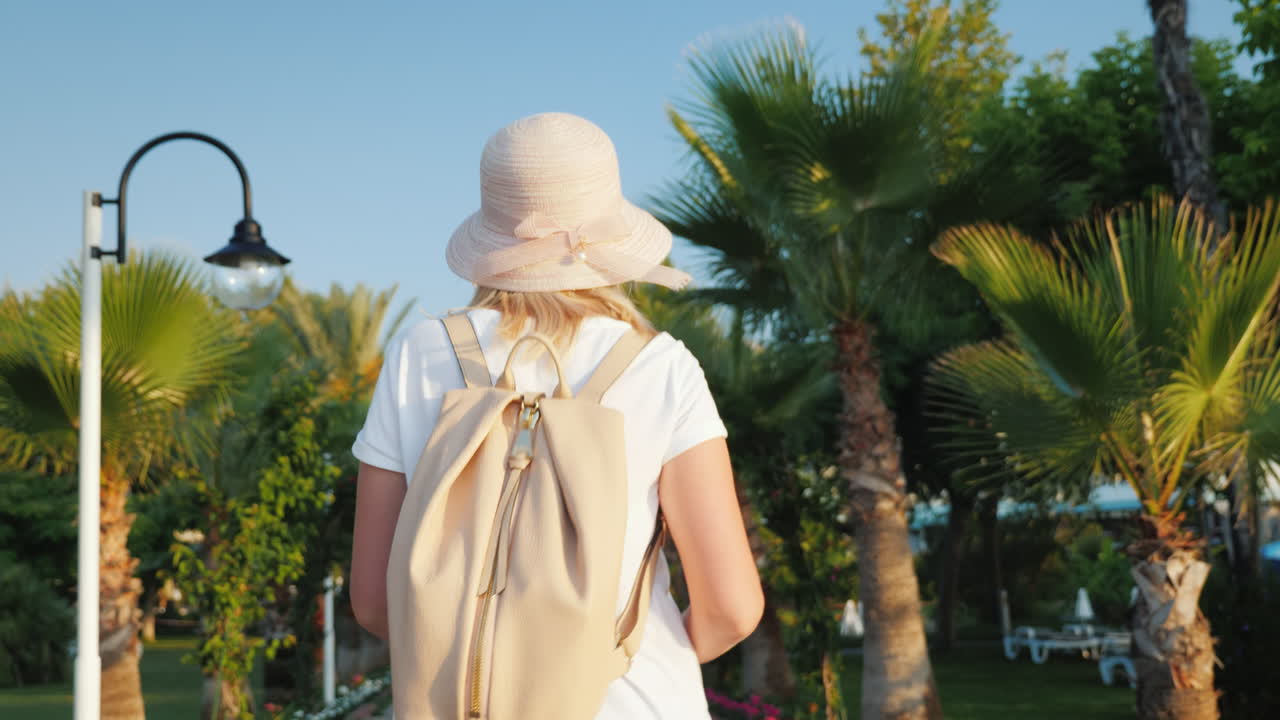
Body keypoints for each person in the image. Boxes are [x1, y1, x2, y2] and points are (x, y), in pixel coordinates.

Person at [348, 112, 763, 719]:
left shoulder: (420, 353)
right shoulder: (660, 367)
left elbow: (375, 601)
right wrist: (620, 655)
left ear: (491, 235)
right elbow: (731, 606)